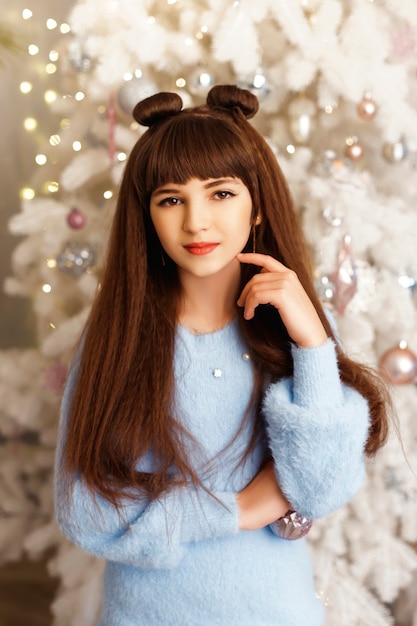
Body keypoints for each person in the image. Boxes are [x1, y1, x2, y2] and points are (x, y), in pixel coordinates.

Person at [54, 84, 389, 626]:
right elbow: (87, 514)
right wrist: (237, 510)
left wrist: (313, 345)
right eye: (170, 199)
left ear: (256, 205)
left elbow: (320, 490)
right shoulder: (115, 341)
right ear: (148, 217)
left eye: (221, 194)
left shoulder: (293, 338)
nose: (196, 222)